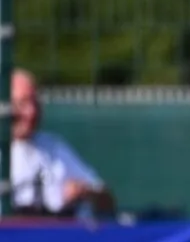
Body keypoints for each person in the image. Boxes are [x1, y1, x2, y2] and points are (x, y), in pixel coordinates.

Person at [9, 68, 115, 217]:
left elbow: (105, 198)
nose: (32, 112)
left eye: (35, 103)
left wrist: (84, 192)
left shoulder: (53, 147)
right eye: (23, 103)